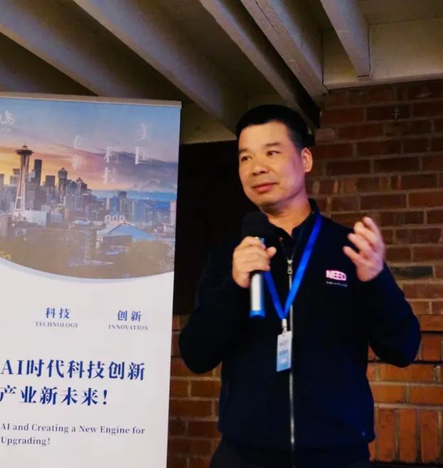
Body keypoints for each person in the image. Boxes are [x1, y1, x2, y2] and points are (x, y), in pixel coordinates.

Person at [179, 104, 421, 468]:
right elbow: (196, 354)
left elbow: (403, 349)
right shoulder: (231, 254)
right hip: (245, 456)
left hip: (337, 454)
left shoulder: (349, 249)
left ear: (305, 159)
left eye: (271, 152)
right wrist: (233, 286)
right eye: (245, 157)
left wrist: (376, 280)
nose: (256, 167)